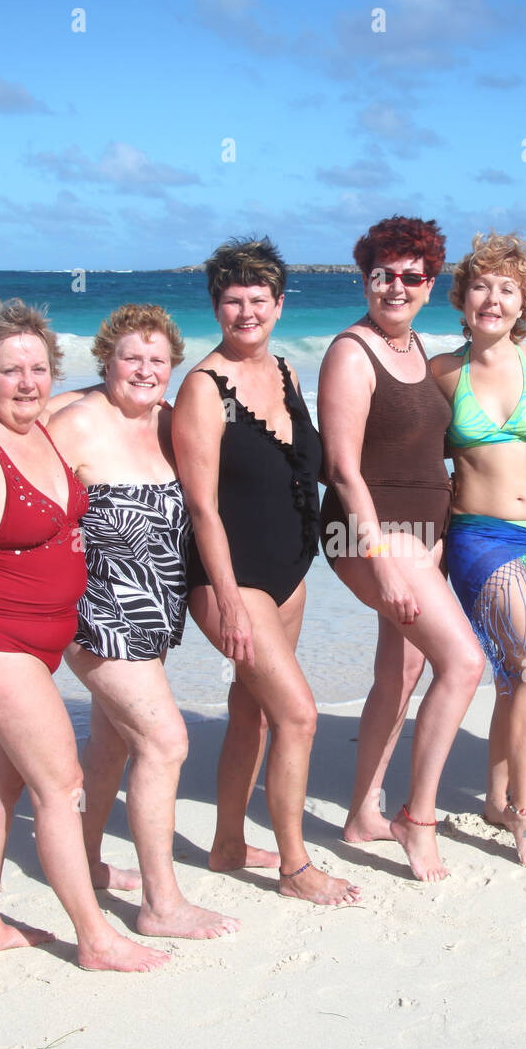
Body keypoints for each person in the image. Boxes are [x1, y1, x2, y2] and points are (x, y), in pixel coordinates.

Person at [0, 300, 167, 970]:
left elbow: (95, 400)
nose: (25, 381)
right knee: (61, 781)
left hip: (42, 643)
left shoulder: (41, 426)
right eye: (8, 370)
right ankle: (95, 939)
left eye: (37, 368)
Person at [173, 237, 359, 906]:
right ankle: (294, 865)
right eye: (232, 299)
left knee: (251, 711)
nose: (245, 311)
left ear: (279, 304)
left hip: (289, 571)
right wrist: (223, 596)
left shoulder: (284, 370)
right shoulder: (203, 388)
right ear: (216, 305)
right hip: (232, 577)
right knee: (299, 717)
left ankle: (227, 845)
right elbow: (201, 504)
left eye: (258, 299)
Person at [48, 304, 241, 937]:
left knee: (113, 742)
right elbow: (9, 484)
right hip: (97, 615)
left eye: (158, 360)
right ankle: (162, 904)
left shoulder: (167, 424)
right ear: (106, 358)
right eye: (131, 356)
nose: (145, 369)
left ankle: (83, 858)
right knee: (165, 742)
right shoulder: (71, 422)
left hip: (156, 613)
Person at [318, 216, 485, 882]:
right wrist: (382, 556)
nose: (396, 286)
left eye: (411, 276)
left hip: (421, 536)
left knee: (404, 673)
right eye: (382, 274)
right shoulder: (350, 352)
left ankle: (362, 814)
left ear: (429, 282)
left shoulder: (420, 351)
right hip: (369, 533)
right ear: (365, 278)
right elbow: (342, 468)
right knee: (465, 663)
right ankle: (419, 817)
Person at [431, 233, 526, 867]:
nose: (493, 298)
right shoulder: (441, 374)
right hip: (480, 538)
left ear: (524, 303)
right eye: (481, 285)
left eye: (507, 289)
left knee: (519, 675)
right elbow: (415, 465)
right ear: (462, 299)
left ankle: (494, 795)